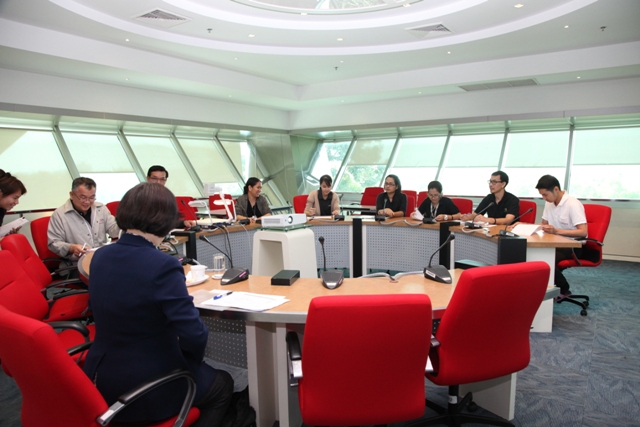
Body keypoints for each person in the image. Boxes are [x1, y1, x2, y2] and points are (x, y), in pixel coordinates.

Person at [83, 183, 234, 426]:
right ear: (165, 220)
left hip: (100, 378)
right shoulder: (163, 265)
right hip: (148, 387)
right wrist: (189, 360)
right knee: (223, 384)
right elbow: (194, 335)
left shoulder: (99, 256)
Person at [535, 174, 587, 299]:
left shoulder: (573, 204)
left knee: (545, 260)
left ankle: (564, 288)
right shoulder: (549, 203)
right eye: (542, 195)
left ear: (556, 189)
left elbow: (583, 232)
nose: (544, 198)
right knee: (533, 255)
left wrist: (556, 231)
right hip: (555, 243)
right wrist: (525, 225)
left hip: (573, 246)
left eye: (545, 195)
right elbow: (543, 225)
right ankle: (543, 289)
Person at [47, 177, 120, 261]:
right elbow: (54, 243)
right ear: (72, 195)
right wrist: (72, 248)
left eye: (91, 198)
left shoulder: (100, 209)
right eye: (83, 197)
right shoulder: (59, 215)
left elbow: (113, 230)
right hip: (78, 262)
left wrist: (125, 223)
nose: (87, 202)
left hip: (102, 258)